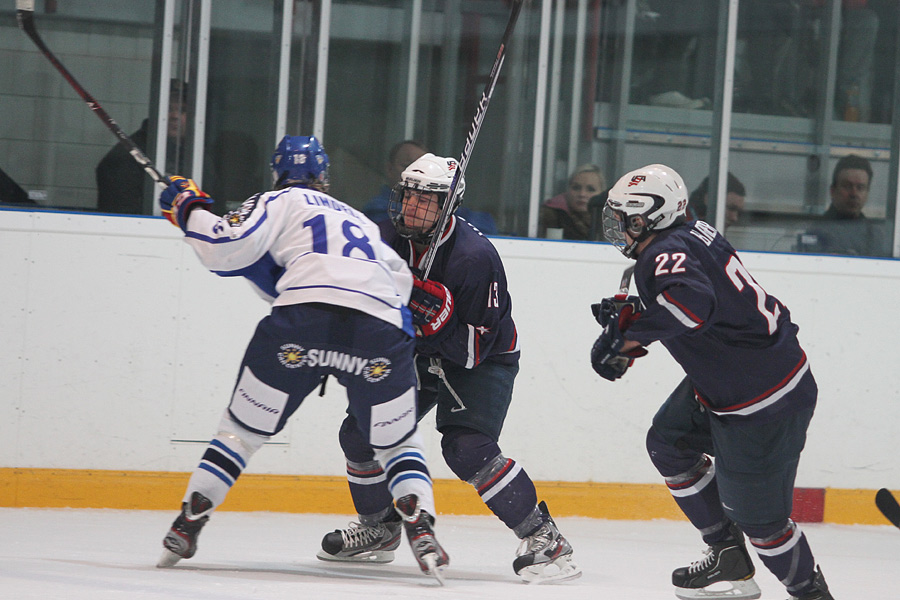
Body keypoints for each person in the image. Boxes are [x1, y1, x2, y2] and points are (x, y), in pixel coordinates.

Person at [155, 135, 449, 582]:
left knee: (241, 433)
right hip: (379, 331)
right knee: (398, 442)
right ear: (324, 177)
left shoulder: (277, 201)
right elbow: (399, 285)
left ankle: (189, 521)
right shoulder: (359, 220)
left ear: (277, 171)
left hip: (301, 325)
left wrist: (188, 208)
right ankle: (421, 526)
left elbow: (223, 247)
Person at [317, 153, 581, 584]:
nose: (414, 208)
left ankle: (544, 538)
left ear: (448, 207)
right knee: (360, 433)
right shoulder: (383, 238)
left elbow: (474, 351)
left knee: (467, 448)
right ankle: (379, 529)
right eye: (409, 197)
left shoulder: (475, 258)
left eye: (427, 201)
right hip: (416, 352)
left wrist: (435, 317)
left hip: (483, 358)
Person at [591, 164, 834, 600]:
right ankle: (728, 559)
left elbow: (693, 305)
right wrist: (634, 333)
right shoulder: (690, 232)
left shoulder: (660, 253)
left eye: (628, 217)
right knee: (669, 442)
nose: (620, 227)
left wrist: (629, 335)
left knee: (764, 526)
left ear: (655, 216)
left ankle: (810, 593)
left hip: (763, 402)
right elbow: (701, 301)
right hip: (740, 378)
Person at [363, 140, 498, 234]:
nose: (416, 173)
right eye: (406, 166)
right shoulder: (377, 209)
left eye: (422, 168)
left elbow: (487, 224)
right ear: (389, 169)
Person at [95, 80, 189, 215]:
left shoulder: (199, 157)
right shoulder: (129, 156)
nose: (174, 116)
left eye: (182, 110)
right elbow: (124, 217)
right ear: (156, 111)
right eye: (168, 109)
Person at [797, 154, 888, 256]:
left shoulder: (875, 236)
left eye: (860, 187)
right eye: (847, 186)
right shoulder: (816, 232)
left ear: (867, 193)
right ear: (833, 191)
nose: (854, 193)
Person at [540, 164, 606, 240]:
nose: (582, 194)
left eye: (590, 189)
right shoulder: (551, 217)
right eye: (576, 188)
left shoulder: (609, 222)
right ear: (567, 190)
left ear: (601, 193)